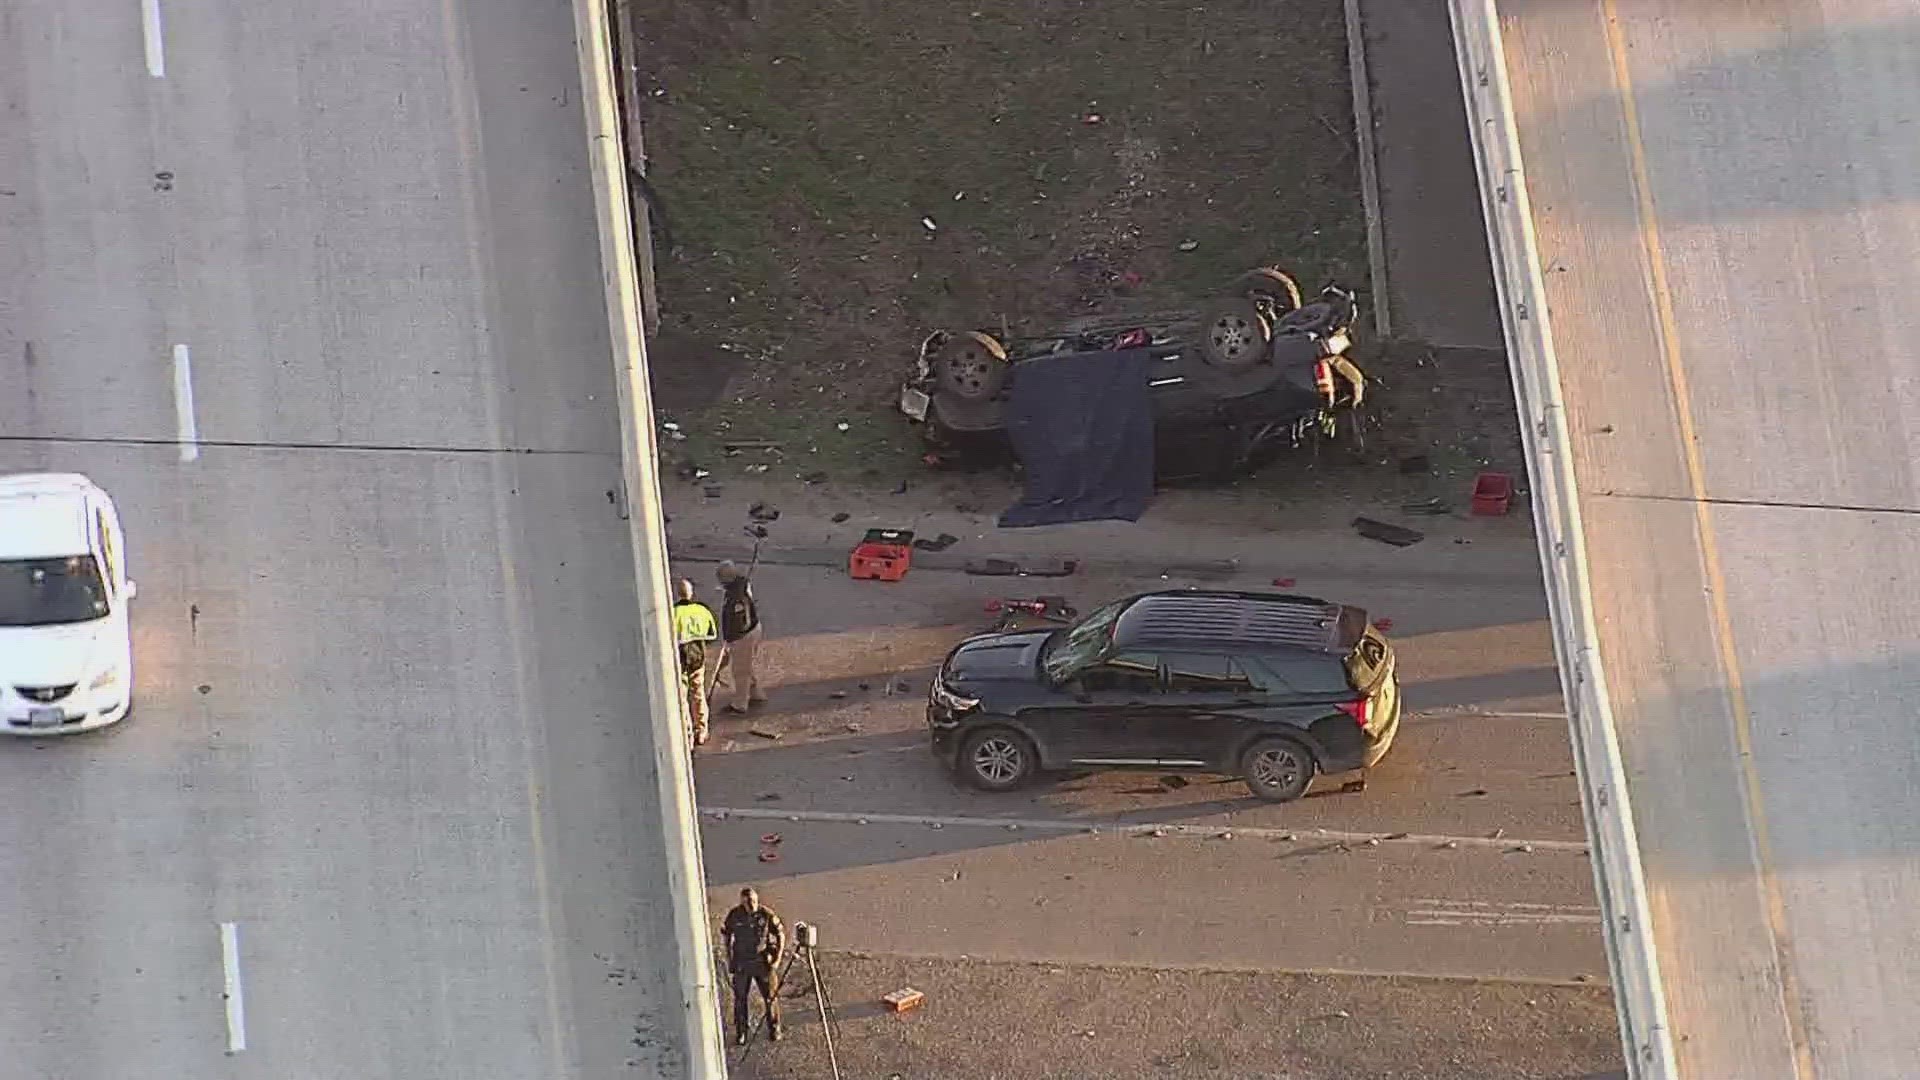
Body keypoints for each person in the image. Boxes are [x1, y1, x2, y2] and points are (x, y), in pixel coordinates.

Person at [720, 886, 785, 1044]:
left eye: (754, 901)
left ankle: (774, 1028)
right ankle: (741, 1032)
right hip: (742, 962)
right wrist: (729, 958)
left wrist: (777, 959)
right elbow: (727, 936)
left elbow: (780, 934)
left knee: (770, 997)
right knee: (740, 999)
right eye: (748, 902)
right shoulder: (734, 916)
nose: (752, 905)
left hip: (762, 961)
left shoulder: (766, 914)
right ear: (742, 902)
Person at [711, 561, 766, 714]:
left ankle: (740, 704)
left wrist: (730, 639)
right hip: (753, 629)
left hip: (744, 636)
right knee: (745, 664)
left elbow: (740, 622)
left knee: (740, 671)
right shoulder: (742, 584)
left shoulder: (736, 598)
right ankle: (756, 693)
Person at [670, 579, 718, 746]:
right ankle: (701, 730)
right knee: (698, 693)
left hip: (681, 660)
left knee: (682, 697)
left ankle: (688, 734)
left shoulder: (673, 613)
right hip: (698, 657)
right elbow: (712, 635)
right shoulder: (702, 611)